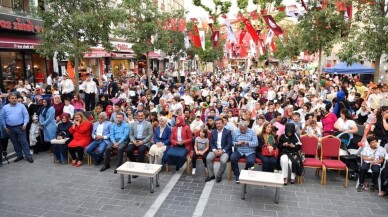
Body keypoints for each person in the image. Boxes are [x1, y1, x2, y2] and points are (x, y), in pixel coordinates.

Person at [0, 93, 33, 163]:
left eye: (15, 98)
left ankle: (28, 156)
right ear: (9, 99)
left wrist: (25, 124)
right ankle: (19, 155)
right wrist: (5, 127)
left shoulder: (22, 106)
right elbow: (2, 118)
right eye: (12, 98)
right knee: (15, 142)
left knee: (24, 142)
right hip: (10, 128)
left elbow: (26, 115)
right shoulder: (5, 107)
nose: (14, 99)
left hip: (21, 127)